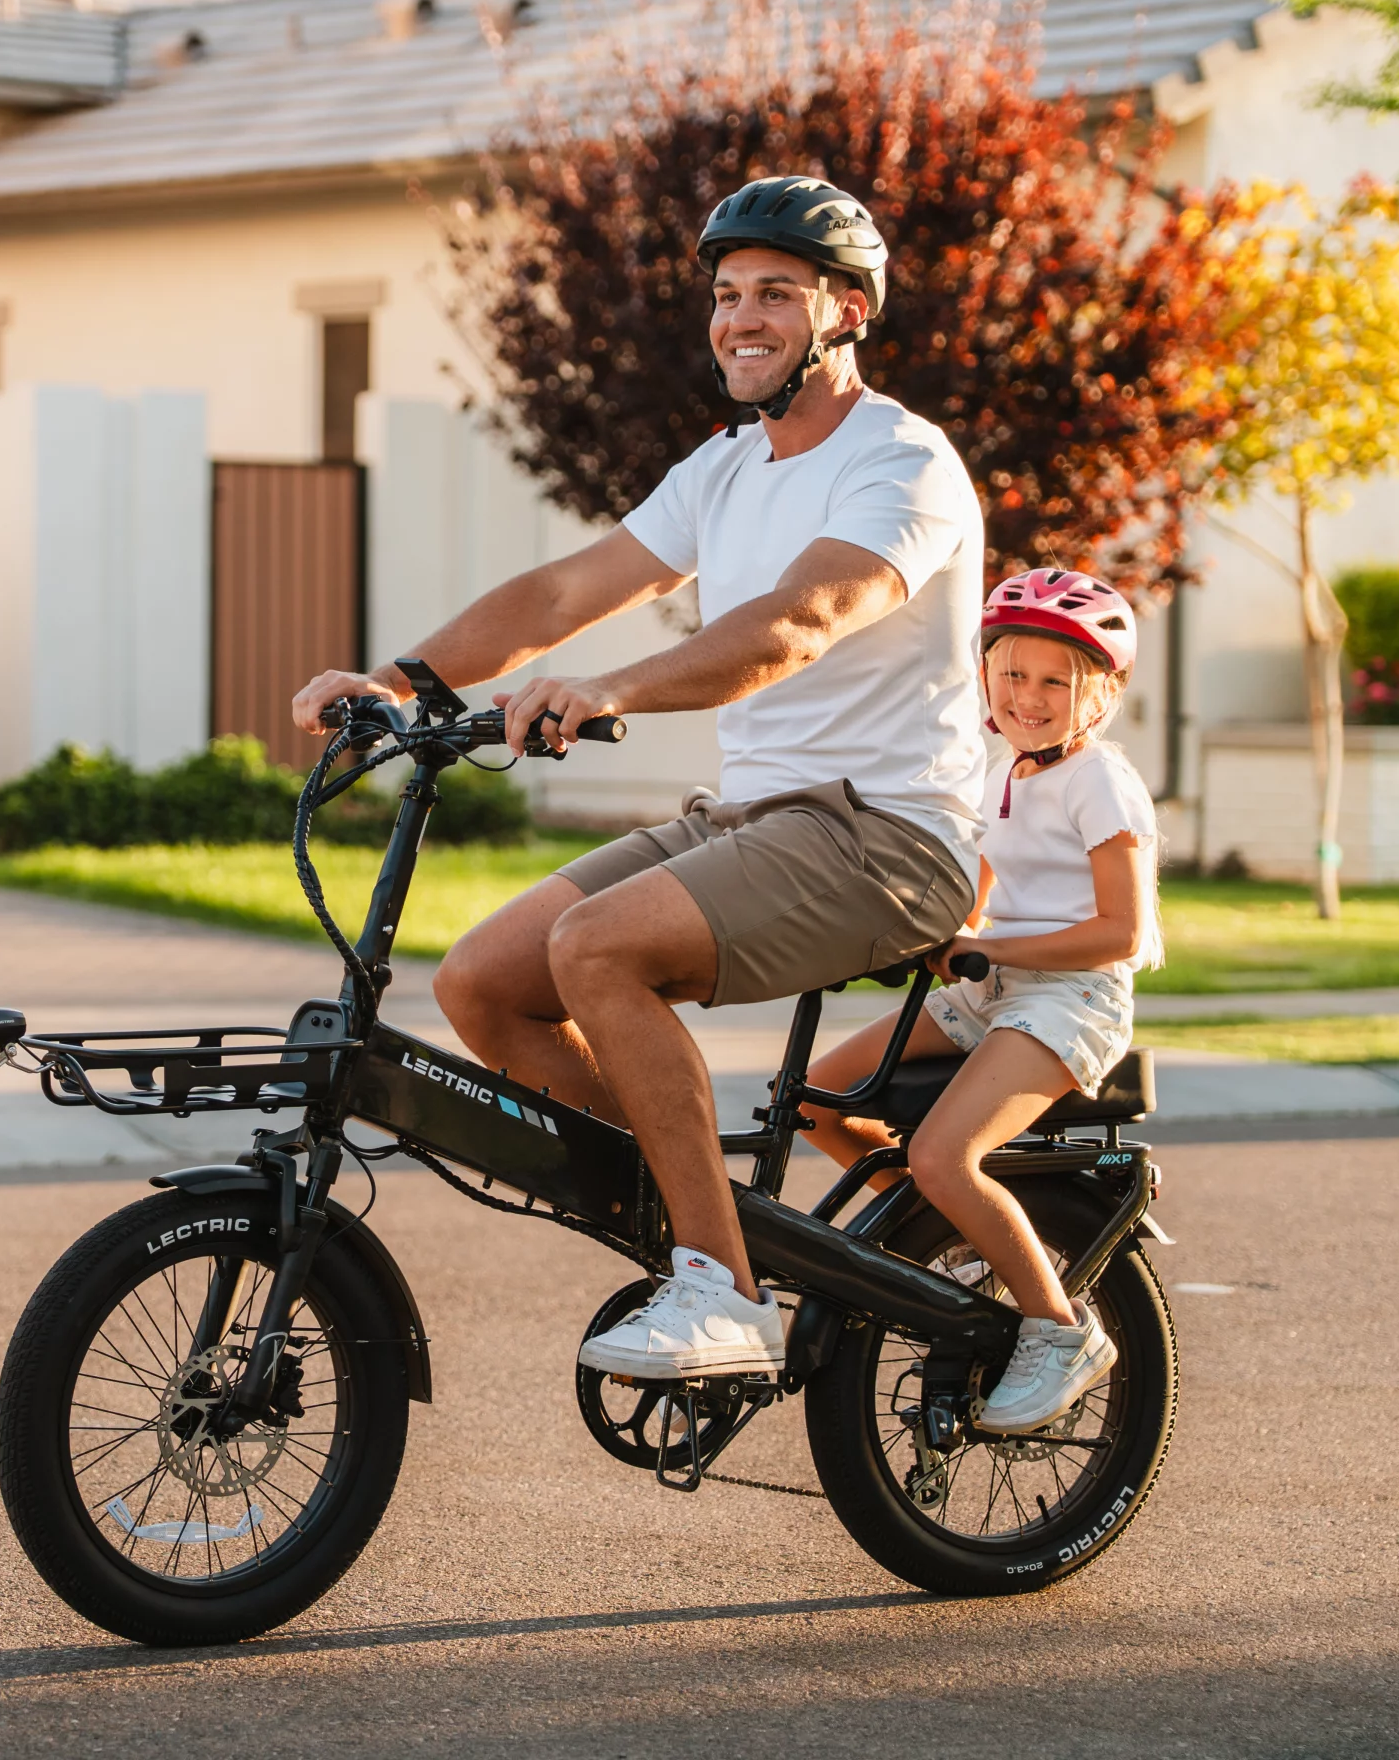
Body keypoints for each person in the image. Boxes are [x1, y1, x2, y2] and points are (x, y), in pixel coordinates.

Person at [291, 175, 988, 1382]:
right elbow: (564, 592)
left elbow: (803, 619)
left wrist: (614, 689)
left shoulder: (901, 462)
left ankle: (724, 1291)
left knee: (597, 949)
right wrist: (398, 682)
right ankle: (696, 1221)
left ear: (847, 311)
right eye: (727, 295)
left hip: (889, 835)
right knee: (483, 985)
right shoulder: (726, 468)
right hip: (758, 819)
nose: (741, 319)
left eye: (777, 293)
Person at [799, 568, 1161, 1432]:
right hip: (994, 989)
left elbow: (1122, 933)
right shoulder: (1005, 771)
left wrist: (990, 947)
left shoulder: (1100, 782)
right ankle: (955, 1246)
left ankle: (1060, 1331)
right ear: (987, 675)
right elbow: (977, 895)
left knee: (942, 1154)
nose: (1027, 696)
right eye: (1012, 674)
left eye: (1054, 682)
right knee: (815, 1100)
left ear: (1102, 694)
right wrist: (919, 934)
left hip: (1071, 999)